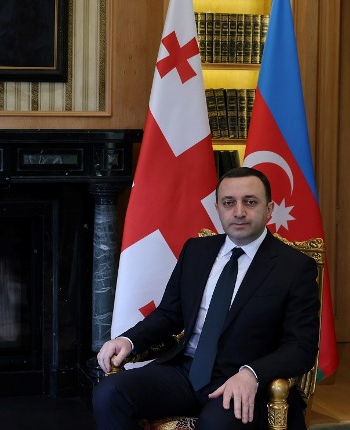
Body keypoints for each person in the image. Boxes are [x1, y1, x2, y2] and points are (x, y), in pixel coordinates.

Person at [93, 167, 320, 429]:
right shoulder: (196, 250)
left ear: (269, 209)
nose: (239, 212)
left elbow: (301, 347)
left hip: (243, 382)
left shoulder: (294, 267)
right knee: (109, 393)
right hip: (185, 372)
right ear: (218, 208)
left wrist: (253, 373)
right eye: (228, 203)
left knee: (216, 424)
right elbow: (169, 314)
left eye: (250, 202)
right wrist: (128, 339)